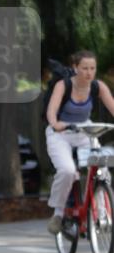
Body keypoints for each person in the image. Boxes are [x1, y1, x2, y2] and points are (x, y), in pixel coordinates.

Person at [45, 49, 114, 234]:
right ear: (75, 68)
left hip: (85, 131)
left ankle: (102, 213)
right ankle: (58, 213)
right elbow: (51, 112)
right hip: (60, 133)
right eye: (85, 68)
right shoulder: (63, 85)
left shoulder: (98, 86)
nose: (89, 72)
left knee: (102, 168)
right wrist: (56, 124)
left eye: (92, 68)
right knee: (67, 171)